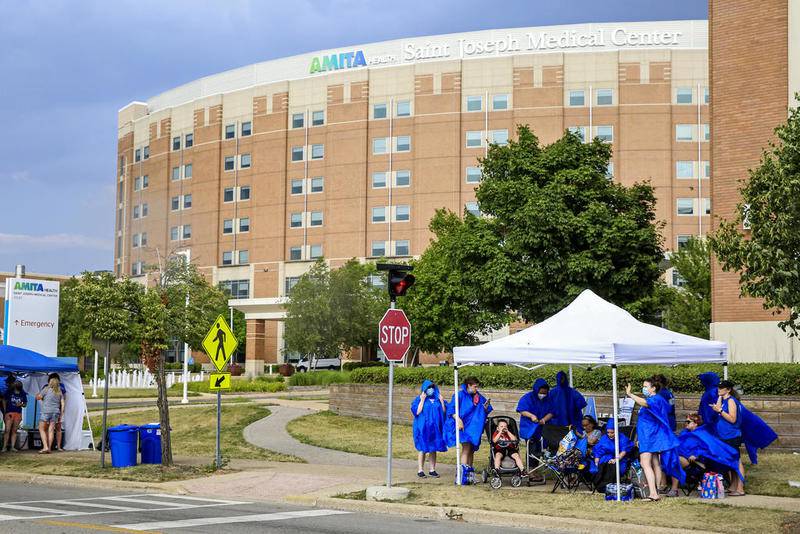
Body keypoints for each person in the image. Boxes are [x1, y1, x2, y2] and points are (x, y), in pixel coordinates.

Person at [625, 377, 685, 501]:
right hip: (650, 436)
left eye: (646, 386)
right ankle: (656, 490)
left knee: (645, 463)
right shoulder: (658, 399)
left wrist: (630, 394)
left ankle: (653, 493)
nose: (644, 388)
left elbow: (645, 403)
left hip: (649, 437)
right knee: (655, 463)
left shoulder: (655, 399)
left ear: (653, 388)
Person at [669, 413, 743, 496]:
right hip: (686, 457)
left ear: (695, 423)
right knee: (671, 458)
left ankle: (674, 489)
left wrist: (696, 454)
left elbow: (707, 448)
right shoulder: (685, 433)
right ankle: (668, 487)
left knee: (675, 461)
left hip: (698, 462)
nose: (685, 423)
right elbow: (679, 446)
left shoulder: (702, 434)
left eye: (688, 422)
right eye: (685, 421)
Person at [445, 377, 492, 469]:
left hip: (474, 428)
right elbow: (451, 409)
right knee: (466, 449)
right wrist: (458, 420)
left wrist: (486, 407)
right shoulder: (459, 395)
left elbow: (486, 408)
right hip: (464, 426)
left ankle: (470, 471)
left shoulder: (478, 396)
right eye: (475, 387)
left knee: (471, 450)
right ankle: (463, 472)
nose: (476, 389)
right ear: (468, 386)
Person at [516, 378, 554, 480]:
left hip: (542, 427)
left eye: (545, 393)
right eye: (541, 393)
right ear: (536, 390)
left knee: (540, 449)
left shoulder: (549, 398)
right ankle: (531, 470)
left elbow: (552, 412)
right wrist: (531, 416)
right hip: (529, 427)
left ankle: (535, 470)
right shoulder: (527, 398)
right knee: (531, 448)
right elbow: (521, 410)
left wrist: (544, 420)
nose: (543, 395)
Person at [410, 380, 447, 478]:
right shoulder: (419, 399)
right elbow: (416, 412)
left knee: (433, 448)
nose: (430, 390)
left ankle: (432, 469)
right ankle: (420, 470)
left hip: (435, 428)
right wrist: (422, 400)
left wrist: (442, 401)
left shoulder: (438, 399)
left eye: (432, 387)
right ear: (424, 389)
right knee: (422, 448)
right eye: (428, 388)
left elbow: (444, 412)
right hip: (423, 428)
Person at [590, 418, 633, 492]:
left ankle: (610, 485)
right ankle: (601, 485)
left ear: (617, 431)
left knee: (616, 468)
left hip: (620, 459)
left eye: (612, 432)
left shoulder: (622, 438)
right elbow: (598, 451)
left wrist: (615, 460)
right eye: (608, 432)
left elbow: (623, 451)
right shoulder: (604, 438)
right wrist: (596, 462)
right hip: (605, 458)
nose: (610, 435)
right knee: (600, 467)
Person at [35, 376, 64, 454]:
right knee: (51, 430)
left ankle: (45, 447)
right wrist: (61, 413)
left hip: (46, 411)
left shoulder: (46, 389)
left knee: (41, 429)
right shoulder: (59, 391)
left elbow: (38, 397)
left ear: (50, 382)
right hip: (55, 412)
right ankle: (49, 448)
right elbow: (62, 403)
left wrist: (37, 395)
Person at [3, 381, 27, 452]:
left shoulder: (22, 393)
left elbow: (25, 404)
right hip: (9, 412)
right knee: (7, 430)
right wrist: (5, 411)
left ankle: (12, 447)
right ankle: (4, 447)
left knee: (14, 430)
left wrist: (21, 405)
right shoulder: (9, 391)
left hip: (18, 413)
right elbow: (4, 400)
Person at [48, 373, 67, 451]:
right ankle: (58, 447)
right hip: (58, 410)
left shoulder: (47, 387)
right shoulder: (61, 387)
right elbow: (64, 398)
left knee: (51, 428)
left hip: (51, 410)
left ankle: (49, 447)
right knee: (57, 428)